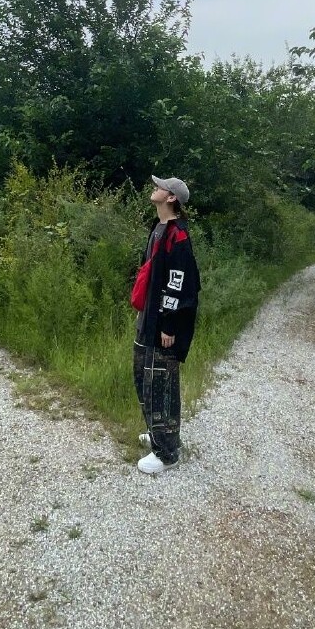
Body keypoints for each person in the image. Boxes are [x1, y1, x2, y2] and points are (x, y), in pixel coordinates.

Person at [132, 174, 201, 475]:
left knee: (161, 383)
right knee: (143, 376)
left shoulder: (178, 236)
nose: (155, 188)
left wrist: (169, 325)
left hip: (165, 324)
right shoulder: (158, 228)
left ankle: (167, 452)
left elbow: (178, 283)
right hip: (148, 318)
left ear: (171, 197)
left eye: (160, 187)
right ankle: (157, 432)